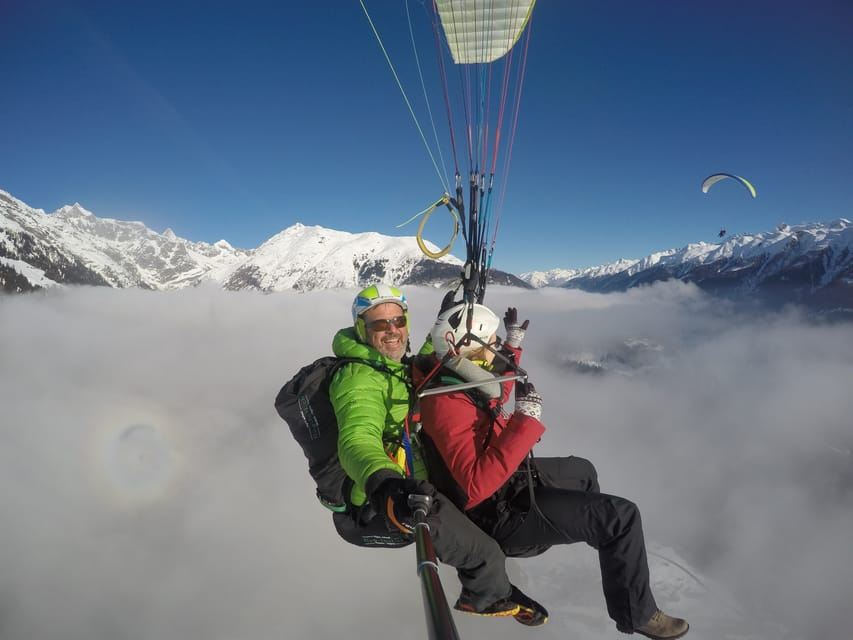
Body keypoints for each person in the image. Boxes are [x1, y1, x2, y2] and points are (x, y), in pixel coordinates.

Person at [415, 300, 690, 639]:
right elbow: (475, 485)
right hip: (498, 513)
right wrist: (525, 422)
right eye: (491, 342)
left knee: (584, 471)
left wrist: (513, 346)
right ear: (467, 347)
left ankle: (597, 538)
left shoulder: (454, 378)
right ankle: (637, 613)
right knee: (622, 517)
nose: (495, 347)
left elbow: (495, 388)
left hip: (508, 481)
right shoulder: (446, 402)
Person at [327, 284, 548, 624]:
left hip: (416, 478)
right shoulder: (359, 379)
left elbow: (428, 363)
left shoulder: (391, 364)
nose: (391, 331)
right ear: (361, 329)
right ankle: (488, 597)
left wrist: (444, 327)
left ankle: (496, 583)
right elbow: (358, 439)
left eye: (398, 321)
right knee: (483, 552)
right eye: (378, 325)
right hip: (388, 500)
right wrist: (384, 482)